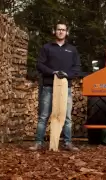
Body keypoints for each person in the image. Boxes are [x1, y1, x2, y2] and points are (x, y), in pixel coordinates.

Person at [29, 21, 81, 151]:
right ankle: (38, 143)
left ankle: (67, 143)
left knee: (67, 116)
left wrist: (66, 75)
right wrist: (53, 73)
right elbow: (40, 65)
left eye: (63, 30)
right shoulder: (47, 48)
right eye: (58, 29)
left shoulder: (72, 50)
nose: (61, 32)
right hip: (48, 86)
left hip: (65, 88)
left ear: (67, 32)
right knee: (44, 115)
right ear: (55, 31)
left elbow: (77, 68)